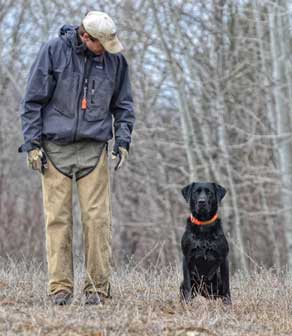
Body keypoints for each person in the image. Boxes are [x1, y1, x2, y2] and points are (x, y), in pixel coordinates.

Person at [18, 11, 135, 305]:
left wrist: (122, 140)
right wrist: (32, 144)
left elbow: (124, 105)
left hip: (93, 150)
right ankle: (60, 288)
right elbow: (31, 101)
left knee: (97, 221)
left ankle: (97, 289)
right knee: (57, 220)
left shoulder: (116, 61)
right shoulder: (53, 52)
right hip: (54, 149)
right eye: (103, 43)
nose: (108, 49)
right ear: (86, 37)